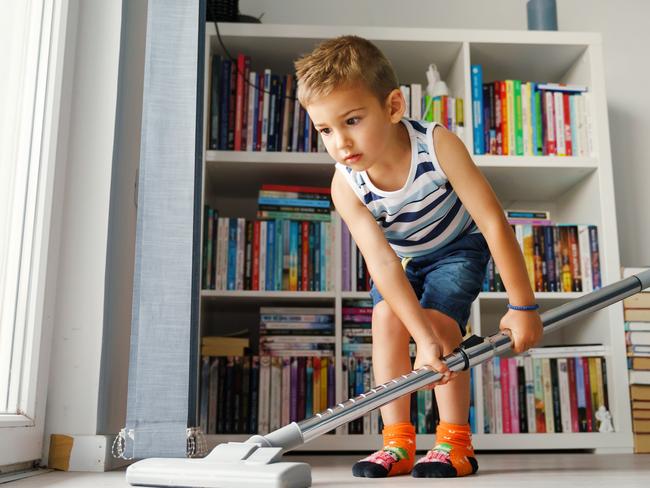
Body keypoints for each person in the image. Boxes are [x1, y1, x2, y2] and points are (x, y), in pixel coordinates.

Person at [294, 35, 543, 478]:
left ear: (393, 107)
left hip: (458, 247)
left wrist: (522, 307)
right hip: (405, 261)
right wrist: (417, 339)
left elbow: (492, 223)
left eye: (352, 120)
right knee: (385, 320)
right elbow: (383, 263)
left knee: (442, 328)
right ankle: (398, 444)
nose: (340, 142)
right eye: (326, 130)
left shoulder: (437, 145)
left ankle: (454, 443)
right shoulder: (345, 185)